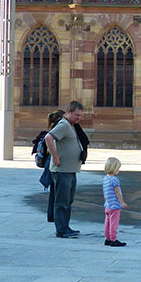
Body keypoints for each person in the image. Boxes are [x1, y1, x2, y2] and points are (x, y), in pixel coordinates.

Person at [44, 101, 88, 239]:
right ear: (69, 112)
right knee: (62, 202)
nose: (79, 118)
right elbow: (48, 137)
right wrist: (55, 157)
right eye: (77, 115)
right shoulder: (64, 125)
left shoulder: (71, 125)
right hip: (62, 170)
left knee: (67, 200)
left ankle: (65, 227)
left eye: (81, 115)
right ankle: (62, 230)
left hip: (70, 170)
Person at [33, 110, 64, 223]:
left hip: (49, 163)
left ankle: (51, 215)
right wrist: (56, 157)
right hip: (53, 163)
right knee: (56, 191)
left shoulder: (53, 129)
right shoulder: (57, 131)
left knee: (54, 190)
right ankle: (53, 215)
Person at [102, 157, 128, 247]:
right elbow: (117, 192)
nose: (119, 170)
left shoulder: (105, 178)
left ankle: (107, 238)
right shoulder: (114, 179)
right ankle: (113, 239)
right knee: (114, 223)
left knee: (107, 222)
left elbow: (105, 192)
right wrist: (122, 202)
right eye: (118, 168)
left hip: (108, 204)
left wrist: (106, 201)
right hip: (115, 205)